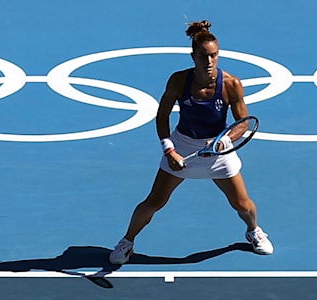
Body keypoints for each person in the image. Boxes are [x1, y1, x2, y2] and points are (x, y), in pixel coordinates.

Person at [107, 20, 273, 267]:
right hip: (183, 146)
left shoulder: (231, 84)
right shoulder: (177, 81)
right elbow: (162, 116)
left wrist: (225, 140)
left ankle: (254, 231)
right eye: (204, 56)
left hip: (219, 149)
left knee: (242, 204)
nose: (209, 61)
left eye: (214, 56)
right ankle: (127, 242)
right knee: (154, 202)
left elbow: (243, 123)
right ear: (193, 56)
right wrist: (169, 149)